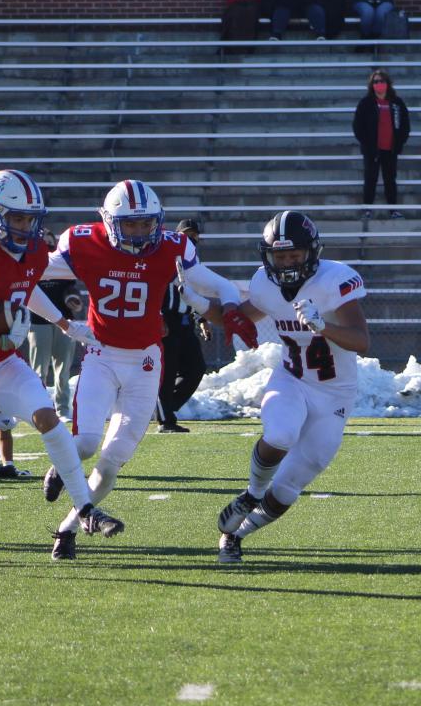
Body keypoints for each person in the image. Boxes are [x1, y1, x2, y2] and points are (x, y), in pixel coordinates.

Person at [33, 181, 256, 560]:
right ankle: (62, 464)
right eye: (130, 224)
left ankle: (67, 529)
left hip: (145, 361)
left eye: (145, 224)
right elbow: (25, 278)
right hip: (101, 355)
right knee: (85, 444)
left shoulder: (171, 245)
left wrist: (231, 306)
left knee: (111, 462)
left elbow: (212, 282)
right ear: (109, 221)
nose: (139, 232)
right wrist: (63, 322)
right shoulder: (82, 241)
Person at [0, 169, 120, 560]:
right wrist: (2, 337)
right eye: (17, 218)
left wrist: (64, 323)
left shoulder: (31, 251)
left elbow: (25, 285)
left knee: (47, 416)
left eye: (31, 218)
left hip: (3, 365)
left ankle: (85, 507)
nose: (26, 226)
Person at [214, 211, 369, 565]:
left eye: (294, 255)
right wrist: (200, 306)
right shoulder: (265, 285)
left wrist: (322, 327)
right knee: (281, 434)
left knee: (288, 487)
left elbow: (362, 342)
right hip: (292, 379)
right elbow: (240, 315)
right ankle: (251, 493)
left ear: (311, 253)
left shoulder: (335, 280)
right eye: (280, 256)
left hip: (335, 395)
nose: (287, 263)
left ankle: (236, 535)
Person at [157, 219, 215, 434]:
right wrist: (158, 316)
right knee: (168, 371)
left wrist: (202, 319)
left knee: (196, 368)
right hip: (167, 320)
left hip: (185, 322)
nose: (191, 238)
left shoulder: (194, 261)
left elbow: (195, 294)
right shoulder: (166, 257)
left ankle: (165, 408)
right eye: (186, 234)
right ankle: (165, 420)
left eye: (194, 235)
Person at [23, 256, 81, 418]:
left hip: (65, 321)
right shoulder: (32, 265)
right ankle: (38, 408)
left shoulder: (61, 265)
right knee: (39, 369)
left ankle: (62, 409)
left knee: (63, 369)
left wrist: (73, 298)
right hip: (38, 322)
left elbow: (71, 288)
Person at [352, 68, 411, 220]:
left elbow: (405, 125)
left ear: (387, 83)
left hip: (390, 150)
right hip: (372, 150)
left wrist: (399, 144)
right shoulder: (366, 103)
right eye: (376, 82)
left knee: (390, 180)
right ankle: (367, 210)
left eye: (381, 81)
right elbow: (358, 126)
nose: (379, 84)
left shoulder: (397, 103)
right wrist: (367, 145)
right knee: (370, 179)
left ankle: (393, 210)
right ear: (372, 85)